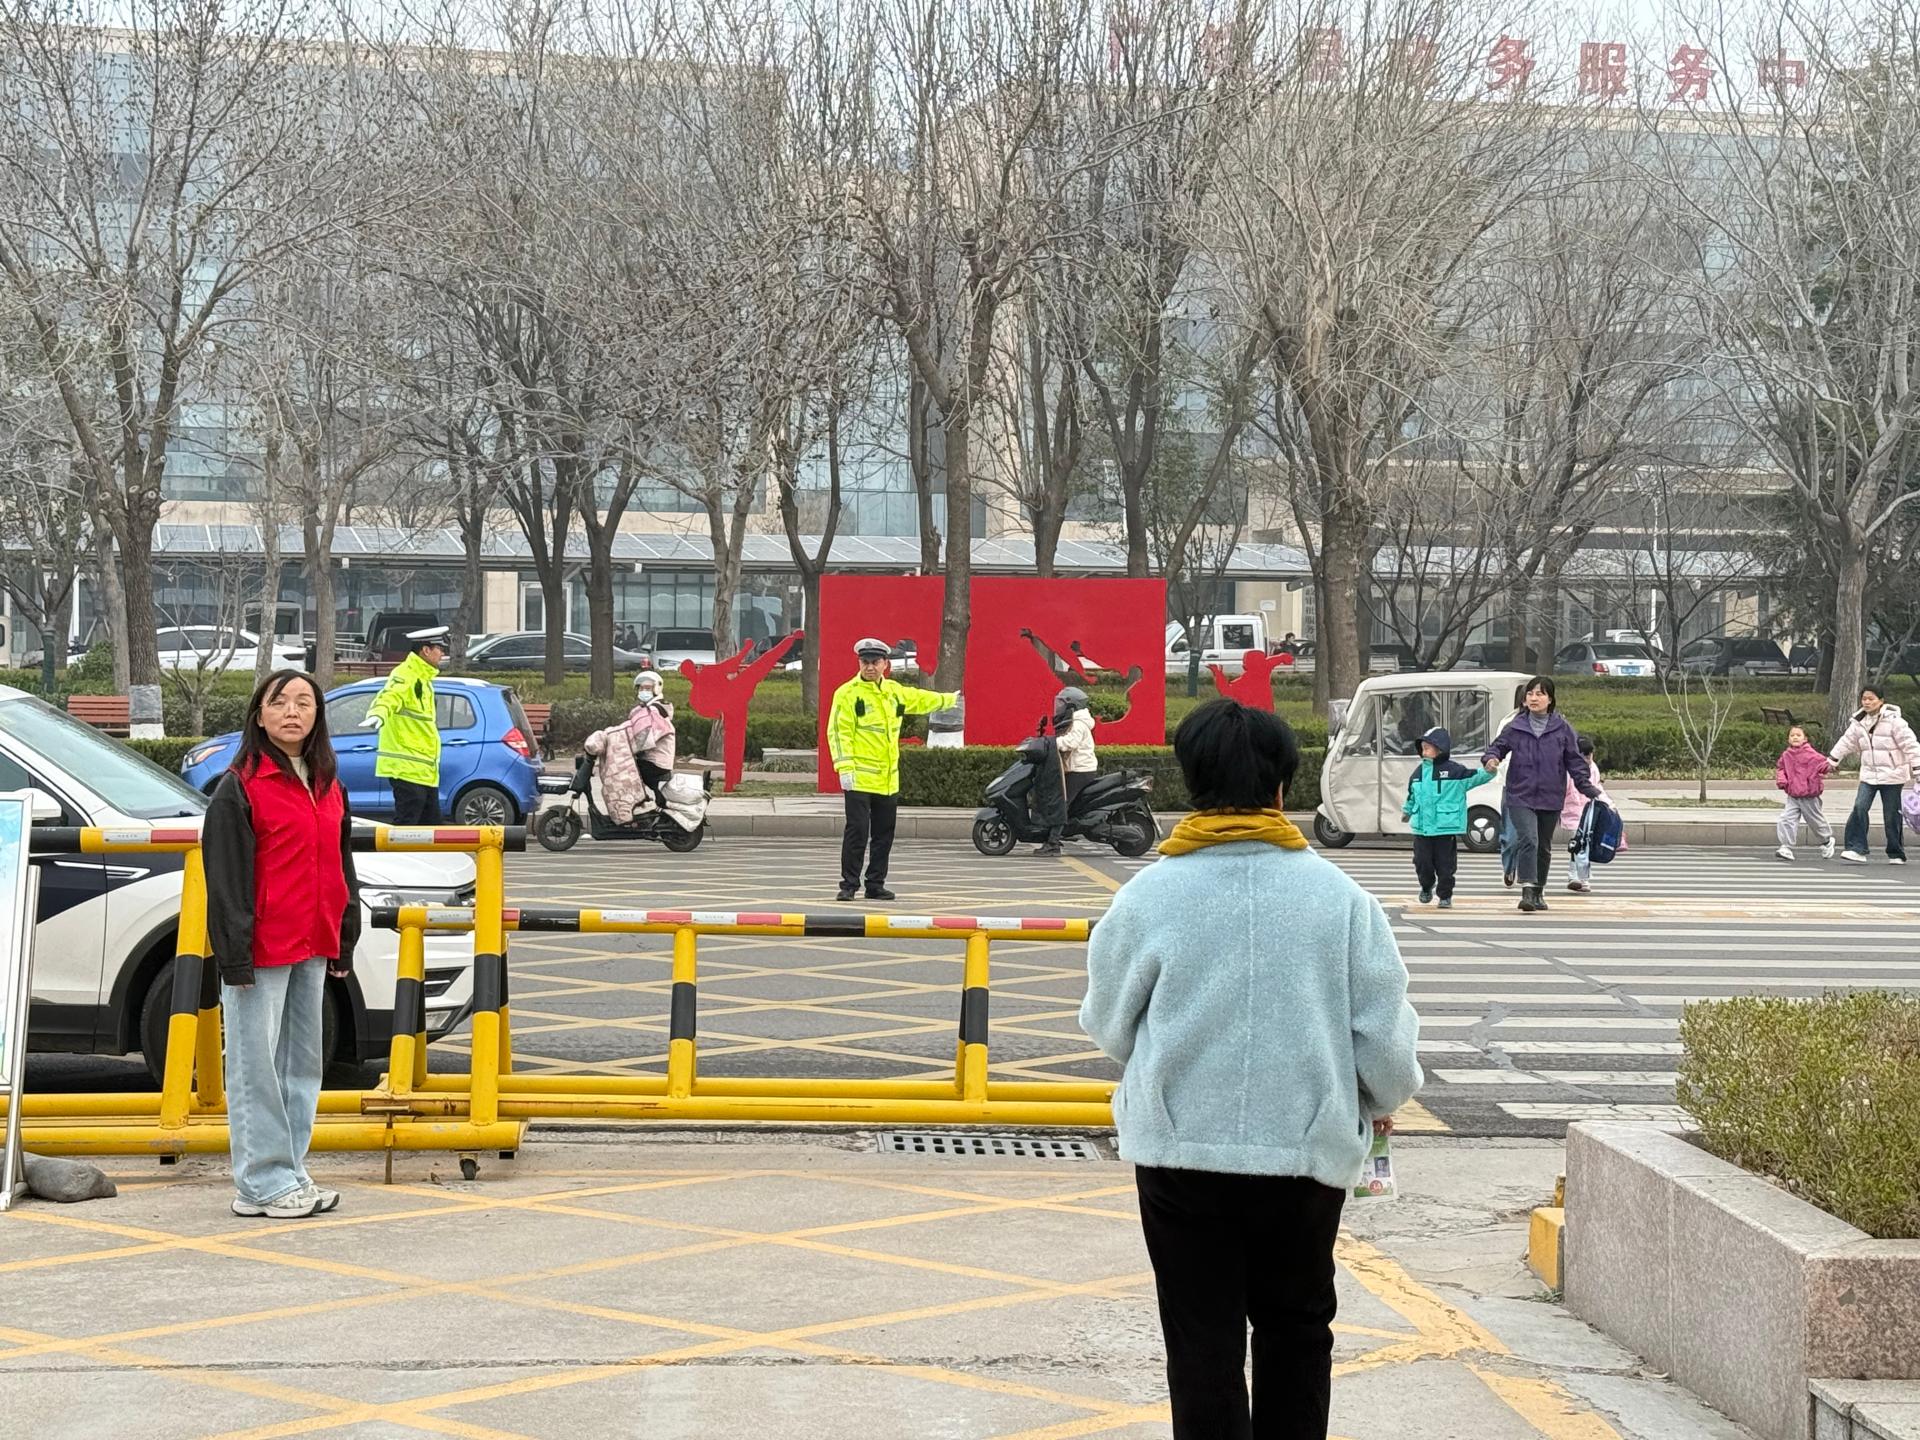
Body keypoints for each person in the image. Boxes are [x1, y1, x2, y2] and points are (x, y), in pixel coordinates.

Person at [1080, 699, 1422, 1440]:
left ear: (1192, 781)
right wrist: (1378, 1099)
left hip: (1180, 1153)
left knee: (1199, 1340)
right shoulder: (1342, 900)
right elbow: (1387, 1048)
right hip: (1304, 1153)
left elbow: (1108, 1025)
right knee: (1298, 1328)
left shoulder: (1145, 898)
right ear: (1281, 787)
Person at [203, 671, 360, 1220]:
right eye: (280, 702)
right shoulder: (239, 786)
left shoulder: (327, 783)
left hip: (313, 940)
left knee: (302, 1066)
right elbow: (225, 880)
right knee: (256, 1068)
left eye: (304, 703)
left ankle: (288, 1171)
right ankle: (260, 1180)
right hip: (261, 948)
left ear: (317, 715)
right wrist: (235, 955)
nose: (293, 712)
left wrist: (344, 935)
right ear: (259, 715)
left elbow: (341, 864)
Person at [826, 637, 959, 901]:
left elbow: (919, 699)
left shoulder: (893, 692)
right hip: (859, 778)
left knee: (883, 835)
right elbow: (839, 733)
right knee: (857, 833)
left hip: (888, 780)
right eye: (865, 662)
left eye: (875, 662)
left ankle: (875, 884)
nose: (870, 667)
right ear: (859, 663)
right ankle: (848, 885)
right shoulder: (847, 693)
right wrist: (844, 767)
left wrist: (948, 700)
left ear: (885, 664)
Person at [1483, 676, 1599, 913]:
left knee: (1543, 846)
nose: (1534, 698)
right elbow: (1497, 747)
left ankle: (1538, 891)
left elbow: (1575, 762)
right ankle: (1527, 890)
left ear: (1550, 699)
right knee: (1529, 839)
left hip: (1550, 795)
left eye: (1540, 694)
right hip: (1520, 794)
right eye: (1530, 694)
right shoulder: (1515, 726)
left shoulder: (1562, 728)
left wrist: (1589, 788)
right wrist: (1491, 759)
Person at [680, 633, 801, 793]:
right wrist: (746, 649)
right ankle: (732, 781)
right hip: (737, 695)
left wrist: (719, 713)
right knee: (766, 660)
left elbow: (705, 710)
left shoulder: (698, 689)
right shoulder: (704, 676)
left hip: (734, 701)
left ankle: (732, 781)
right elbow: (731, 664)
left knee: (733, 745)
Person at [1400, 725, 1493, 908]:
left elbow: (1476, 776)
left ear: (1440, 748)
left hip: (1445, 828)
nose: (1424, 752)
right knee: (1422, 862)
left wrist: (1490, 770)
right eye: (1422, 748)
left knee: (1446, 865)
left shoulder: (1455, 771)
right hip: (1422, 829)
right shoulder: (1418, 773)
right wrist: (1407, 811)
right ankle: (1426, 886)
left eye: (1427, 748)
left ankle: (1445, 895)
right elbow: (1411, 795)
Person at [1827, 685, 1920, 864]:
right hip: (1869, 775)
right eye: (1864, 699)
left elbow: (1911, 745)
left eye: (1871, 699)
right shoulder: (1858, 722)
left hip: (1893, 775)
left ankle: (1896, 853)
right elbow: (1847, 741)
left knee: (1891, 814)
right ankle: (1856, 848)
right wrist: (1832, 760)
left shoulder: (1895, 721)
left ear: (1881, 701)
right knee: (1859, 807)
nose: (1867, 702)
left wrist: (1918, 769)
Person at [365, 625, 448, 825]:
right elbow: (390, 696)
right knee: (408, 826)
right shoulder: (406, 674)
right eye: (440, 648)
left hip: (422, 768)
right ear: (426, 650)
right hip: (406, 766)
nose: (442, 653)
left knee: (431, 826)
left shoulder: (423, 678)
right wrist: (378, 713)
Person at [1036, 686, 1097, 856]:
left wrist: (1048, 744)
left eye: (1062, 704)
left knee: (1060, 804)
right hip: (1077, 768)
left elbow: (1070, 742)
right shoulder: (1074, 720)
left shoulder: (1078, 723)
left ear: (1072, 705)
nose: (1058, 707)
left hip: (1080, 770)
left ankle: (1053, 843)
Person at [1774, 724, 1835, 862]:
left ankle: (1827, 841)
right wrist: (1782, 780)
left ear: (1805, 738)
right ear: (1788, 739)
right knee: (1786, 819)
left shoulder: (1811, 754)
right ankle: (1786, 846)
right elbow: (1781, 768)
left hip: (1809, 796)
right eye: (1792, 735)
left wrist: (1831, 764)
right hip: (1793, 795)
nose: (1795, 737)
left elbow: (1823, 765)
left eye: (1798, 735)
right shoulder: (1786, 755)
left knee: (1815, 821)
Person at [1562, 734, 1612, 893]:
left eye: (1589, 755)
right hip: (1571, 810)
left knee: (1583, 844)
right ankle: (1576, 877)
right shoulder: (1568, 769)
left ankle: (1579, 877)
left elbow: (1597, 787)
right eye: (1583, 756)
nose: (1587, 759)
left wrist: (1608, 803)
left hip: (1587, 811)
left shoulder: (1593, 769)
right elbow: (1562, 790)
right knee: (1579, 843)